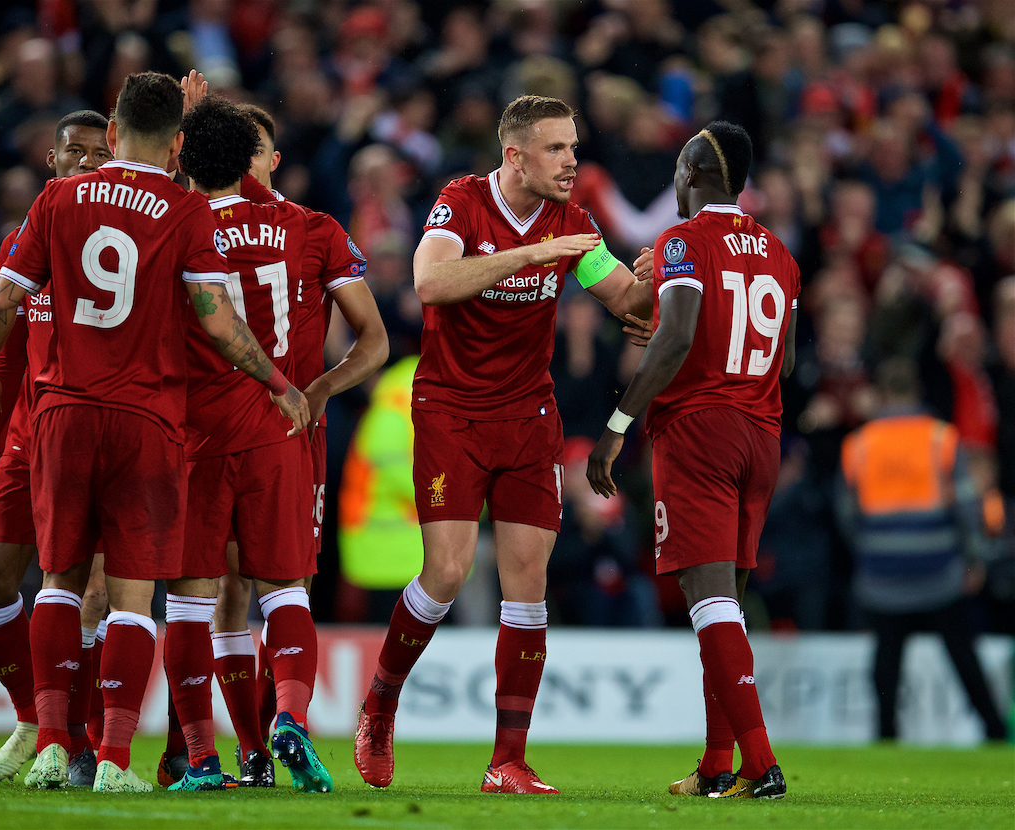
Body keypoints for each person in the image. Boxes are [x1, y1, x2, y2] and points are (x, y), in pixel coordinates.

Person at [0, 72, 307, 793]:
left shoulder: (56, 197)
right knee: (130, 595)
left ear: (112, 135)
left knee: (57, 582)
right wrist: (276, 382)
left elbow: (2, 300)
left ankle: (54, 745)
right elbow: (216, 318)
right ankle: (116, 760)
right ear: (178, 145)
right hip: (147, 417)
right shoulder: (184, 210)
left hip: (62, 411)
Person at [354, 94, 653, 794]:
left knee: (528, 585)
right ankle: (380, 704)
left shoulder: (573, 223)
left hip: (527, 416)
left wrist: (647, 287)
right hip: (452, 411)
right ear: (514, 155)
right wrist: (536, 251)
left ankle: (508, 761)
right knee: (450, 575)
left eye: (574, 148)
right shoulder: (461, 203)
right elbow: (431, 281)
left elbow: (623, 300)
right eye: (557, 149)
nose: (572, 162)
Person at [587, 121, 799, 800]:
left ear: (695, 173)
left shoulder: (682, 242)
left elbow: (675, 335)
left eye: (679, 171)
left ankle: (761, 764)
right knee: (726, 604)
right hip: (761, 436)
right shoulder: (781, 254)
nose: (673, 184)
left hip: (700, 432)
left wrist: (619, 424)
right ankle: (716, 766)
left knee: (706, 599)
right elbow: (784, 360)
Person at [202, 100, 390, 789]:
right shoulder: (311, 230)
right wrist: (316, 391)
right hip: (284, 428)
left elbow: (372, 345)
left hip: (224, 427)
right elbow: (376, 340)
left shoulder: (191, 221)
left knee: (224, 591)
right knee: (285, 586)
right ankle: (285, 724)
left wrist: (325, 388)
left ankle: (245, 752)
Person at [0, 110, 114, 786]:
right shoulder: (25, 241)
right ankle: (29, 722)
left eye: (101, 152)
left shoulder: (121, 240)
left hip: (97, 433)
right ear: (52, 159)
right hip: (26, 438)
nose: (87, 162)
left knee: (88, 590)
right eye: (75, 151)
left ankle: (85, 740)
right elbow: (5, 360)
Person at [837, 357, 1009, 742]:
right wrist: (974, 557)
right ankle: (994, 729)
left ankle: (885, 734)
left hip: (882, 570)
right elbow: (967, 504)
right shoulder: (941, 438)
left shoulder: (859, 444)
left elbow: (847, 514)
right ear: (917, 391)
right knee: (962, 654)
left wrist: (869, 550)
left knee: (887, 660)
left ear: (881, 395)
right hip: (939, 569)